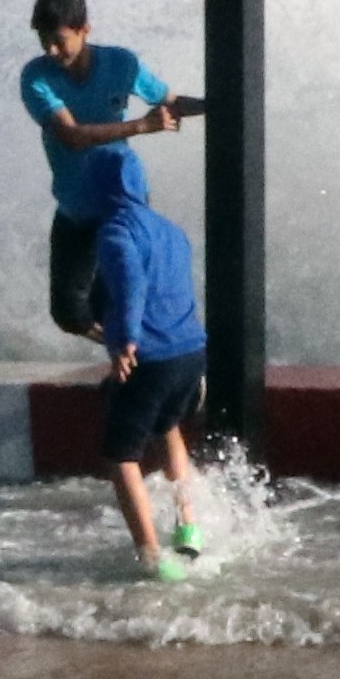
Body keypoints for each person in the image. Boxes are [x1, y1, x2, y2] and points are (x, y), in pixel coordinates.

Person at [18, 0, 189, 341]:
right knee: (69, 313)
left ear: (85, 30)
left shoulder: (121, 64)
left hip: (121, 206)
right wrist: (141, 126)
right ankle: (128, 350)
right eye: (44, 40)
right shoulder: (36, 77)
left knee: (124, 301)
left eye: (59, 40)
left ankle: (147, 361)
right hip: (75, 209)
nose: (51, 50)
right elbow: (72, 136)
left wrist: (227, 103)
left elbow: (171, 101)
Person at [75, 144, 208, 581]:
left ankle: (152, 556)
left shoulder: (115, 232)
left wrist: (125, 339)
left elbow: (130, 284)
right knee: (167, 426)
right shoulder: (172, 230)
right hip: (190, 350)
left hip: (150, 357)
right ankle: (188, 525)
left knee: (120, 456)